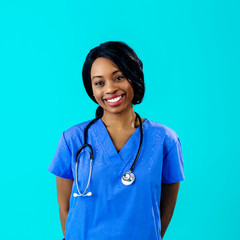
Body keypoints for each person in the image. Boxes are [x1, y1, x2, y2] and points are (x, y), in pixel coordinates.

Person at [48, 41, 185, 240]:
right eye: (99, 83)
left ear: (134, 77)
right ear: (92, 90)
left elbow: (165, 210)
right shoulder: (73, 139)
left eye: (118, 77)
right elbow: (64, 208)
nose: (110, 89)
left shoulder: (164, 140)